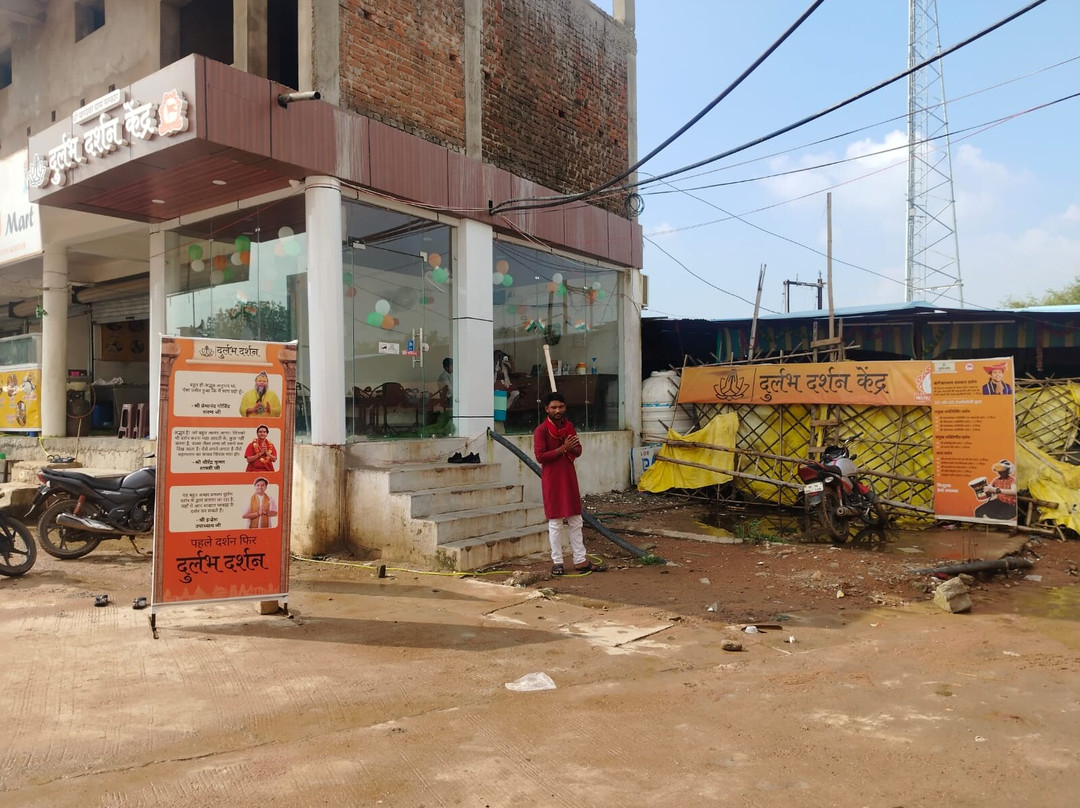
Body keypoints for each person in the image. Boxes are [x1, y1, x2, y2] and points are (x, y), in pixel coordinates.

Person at [533, 391, 600, 575]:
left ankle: (580, 560)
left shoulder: (569, 427)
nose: (557, 410)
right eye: (553, 407)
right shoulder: (541, 430)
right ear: (546, 409)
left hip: (569, 476)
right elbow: (540, 456)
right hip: (552, 479)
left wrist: (571, 448)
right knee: (555, 522)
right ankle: (557, 562)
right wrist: (563, 448)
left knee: (576, 519)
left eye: (560, 407)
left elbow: (578, 450)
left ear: (565, 407)